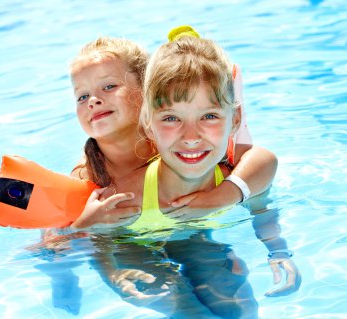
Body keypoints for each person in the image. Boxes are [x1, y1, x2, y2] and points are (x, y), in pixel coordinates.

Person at [85, 32, 301, 317]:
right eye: (172, 118)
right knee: (187, 311)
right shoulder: (131, 195)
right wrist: (110, 273)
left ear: (234, 121)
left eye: (209, 116)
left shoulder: (230, 178)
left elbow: (261, 206)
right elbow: (97, 237)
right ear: (148, 125)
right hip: (136, 246)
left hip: (195, 238)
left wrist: (278, 251)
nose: (191, 137)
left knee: (241, 311)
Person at [67, 27, 278, 230]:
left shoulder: (176, 142)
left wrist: (224, 195)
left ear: (147, 90)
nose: (93, 101)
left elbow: (260, 159)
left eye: (109, 86)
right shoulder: (86, 176)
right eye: (82, 96)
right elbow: (53, 243)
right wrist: (86, 224)